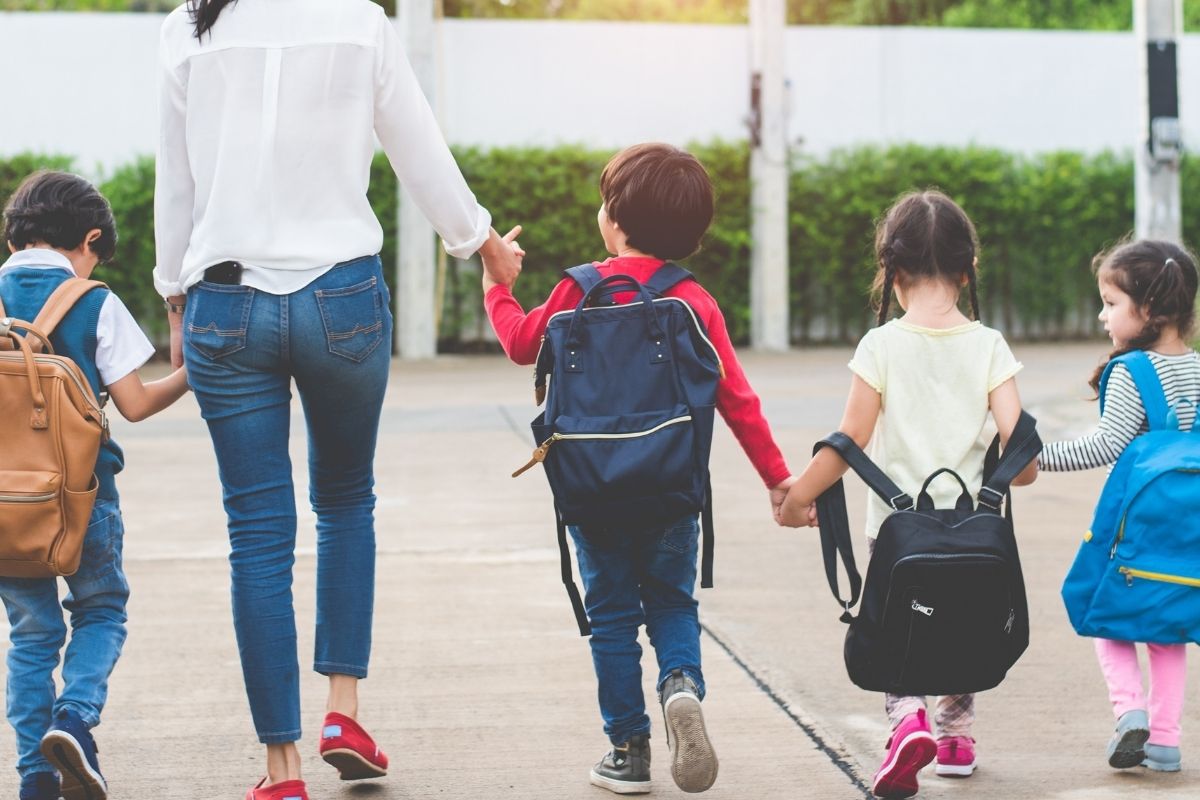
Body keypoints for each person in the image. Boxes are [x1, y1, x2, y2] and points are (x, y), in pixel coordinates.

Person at [152, 1, 523, 798]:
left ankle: (280, 770)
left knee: (256, 533)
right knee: (347, 502)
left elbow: (174, 179)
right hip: (342, 299)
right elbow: (418, 150)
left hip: (226, 302)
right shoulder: (361, 21)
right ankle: (342, 713)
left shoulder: (190, 28)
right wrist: (483, 245)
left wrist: (171, 297)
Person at [481, 142, 794, 795]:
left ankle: (628, 751)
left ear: (614, 220)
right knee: (673, 603)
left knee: (614, 617)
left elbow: (519, 345)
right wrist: (777, 479)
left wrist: (497, 288)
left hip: (591, 490)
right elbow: (737, 399)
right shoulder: (693, 301)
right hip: (672, 488)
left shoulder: (577, 289)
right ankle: (681, 688)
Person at [777, 189, 1037, 798]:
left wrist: (796, 498)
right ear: (968, 268)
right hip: (975, 526)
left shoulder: (882, 345)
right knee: (964, 616)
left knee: (901, 622)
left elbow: (850, 442)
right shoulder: (990, 345)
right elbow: (1021, 455)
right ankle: (955, 738)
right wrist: (1006, 475)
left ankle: (907, 721)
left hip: (896, 530)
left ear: (892, 272)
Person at [0, 170, 190, 800]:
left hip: (5, 507)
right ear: (88, 239)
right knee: (101, 610)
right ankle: (75, 719)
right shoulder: (94, 301)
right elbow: (134, 405)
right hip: (85, 500)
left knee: (31, 635)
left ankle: (35, 778)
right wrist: (187, 369)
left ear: (12, 243)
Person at [1039, 239, 1199, 773]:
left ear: (1148, 310)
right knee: (1169, 627)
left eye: (1111, 302)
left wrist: (1034, 459)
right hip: (1187, 535)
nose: (1102, 315)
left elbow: (1102, 446)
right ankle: (1167, 742)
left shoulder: (1132, 372)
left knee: (1102, 612)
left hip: (1131, 528)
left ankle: (1130, 711)